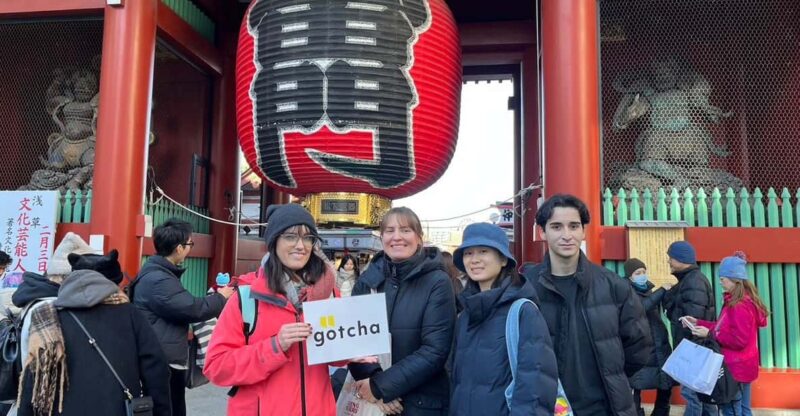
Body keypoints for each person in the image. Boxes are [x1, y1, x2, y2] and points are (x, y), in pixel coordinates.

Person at [203, 204, 343, 415]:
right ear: (274, 241)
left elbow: (336, 357)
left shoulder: (328, 292)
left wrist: (353, 352)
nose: (300, 245)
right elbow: (216, 367)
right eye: (290, 236)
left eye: (308, 238)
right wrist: (275, 346)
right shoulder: (246, 298)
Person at [521, 194, 652, 416]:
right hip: (545, 407)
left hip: (603, 407)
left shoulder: (613, 286)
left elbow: (639, 346)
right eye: (556, 227)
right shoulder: (526, 288)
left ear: (583, 231)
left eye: (573, 226)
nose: (566, 235)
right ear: (542, 232)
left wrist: (611, 376)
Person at [17, 250, 171, 416]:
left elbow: (33, 377)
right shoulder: (130, 314)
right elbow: (156, 370)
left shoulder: (47, 317)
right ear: (112, 284)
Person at [349, 207, 456, 416]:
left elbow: (435, 351)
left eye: (405, 230)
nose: (397, 237)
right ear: (382, 238)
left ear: (419, 238)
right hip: (372, 404)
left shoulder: (437, 282)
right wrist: (373, 387)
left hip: (421, 404)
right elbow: (353, 342)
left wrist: (380, 387)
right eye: (389, 230)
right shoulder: (367, 281)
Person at [449, 223, 558, 415]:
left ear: (503, 260)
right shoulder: (465, 315)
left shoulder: (523, 312)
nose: (474, 260)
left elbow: (535, 385)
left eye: (483, 251)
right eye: (468, 253)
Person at [129, 218, 235, 416]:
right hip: (162, 359)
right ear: (179, 248)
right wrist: (221, 298)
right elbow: (191, 308)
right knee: (168, 408)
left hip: (162, 354)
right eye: (189, 244)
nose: (190, 248)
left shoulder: (158, 273)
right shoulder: (159, 280)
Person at [683, 252, 768, 416]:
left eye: (723, 278)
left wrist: (709, 333)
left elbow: (738, 339)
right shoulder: (740, 301)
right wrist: (698, 322)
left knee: (732, 410)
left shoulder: (739, 305)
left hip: (736, 368)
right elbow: (724, 327)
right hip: (742, 366)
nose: (720, 281)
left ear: (735, 279)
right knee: (742, 409)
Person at [662, 240, 716, 416]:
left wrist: (686, 350)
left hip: (692, 347)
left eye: (671, 258)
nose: (668, 261)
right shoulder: (688, 280)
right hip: (694, 346)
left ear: (681, 259)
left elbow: (693, 320)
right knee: (702, 396)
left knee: (691, 394)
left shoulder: (693, 282)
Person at [623, 258, 675, 416]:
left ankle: (661, 412)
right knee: (636, 384)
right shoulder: (626, 292)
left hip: (659, 343)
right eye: (638, 273)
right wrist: (661, 291)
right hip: (640, 345)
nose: (642, 275)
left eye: (644, 272)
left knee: (665, 383)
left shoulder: (648, 290)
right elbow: (641, 307)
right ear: (629, 276)